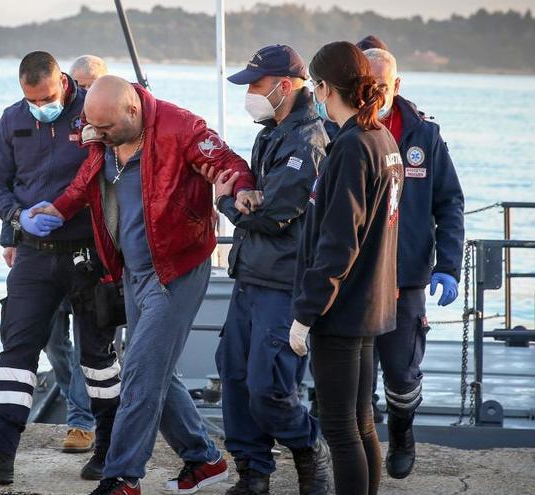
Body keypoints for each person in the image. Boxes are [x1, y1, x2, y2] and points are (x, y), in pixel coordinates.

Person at [32, 75, 260, 495]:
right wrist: (58, 209)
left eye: (105, 129)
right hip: (134, 271)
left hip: (176, 270)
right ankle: (204, 458)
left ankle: (123, 476)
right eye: (92, 128)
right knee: (158, 372)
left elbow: (227, 163)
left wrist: (242, 189)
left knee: (138, 370)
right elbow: (87, 179)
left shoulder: (182, 127)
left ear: (132, 110)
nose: (95, 136)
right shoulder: (102, 134)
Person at [0, 51, 120, 485]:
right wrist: (18, 217)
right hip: (34, 251)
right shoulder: (12, 120)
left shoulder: (93, 112)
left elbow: (122, 169)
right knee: (16, 350)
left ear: (62, 80)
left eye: (46, 97)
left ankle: (110, 449)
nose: (41, 107)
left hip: (88, 253)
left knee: (97, 357)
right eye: (31, 100)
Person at [213, 44, 330, 495]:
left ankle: (308, 450)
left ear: (284, 86)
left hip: (283, 283)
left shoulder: (307, 138)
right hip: (251, 277)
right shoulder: (272, 131)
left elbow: (274, 212)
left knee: (269, 386)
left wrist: (227, 200)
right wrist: (246, 196)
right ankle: (253, 473)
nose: (250, 94)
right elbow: (258, 201)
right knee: (235, 376)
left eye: (257, 86)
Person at [291, 41, 403, 495]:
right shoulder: (383, 138)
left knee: (339, 426)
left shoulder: (353, 146)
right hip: (370, 301)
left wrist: (306, 312)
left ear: (323, 87)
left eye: (315, 88)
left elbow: (339, 242)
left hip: (341, 307)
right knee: (362, 423)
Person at [362, 47, 464, 479]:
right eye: (368, 86)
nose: (375, 94)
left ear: (396, 86)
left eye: (382, 86)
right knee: (356, 378)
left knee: (403, 374)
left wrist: (449, 265)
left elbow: (450, 202)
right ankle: (362, 454)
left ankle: (402, 433)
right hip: (355, 281)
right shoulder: (338, 130)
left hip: (406, 280)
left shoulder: (425, 136)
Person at [0, 223, 97, 455]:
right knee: (52, 343)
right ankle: (74, 397)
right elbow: (19, 188)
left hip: (86, 253)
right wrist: (10, 239)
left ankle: (80, 422)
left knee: (88, 347)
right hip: (41, 253)